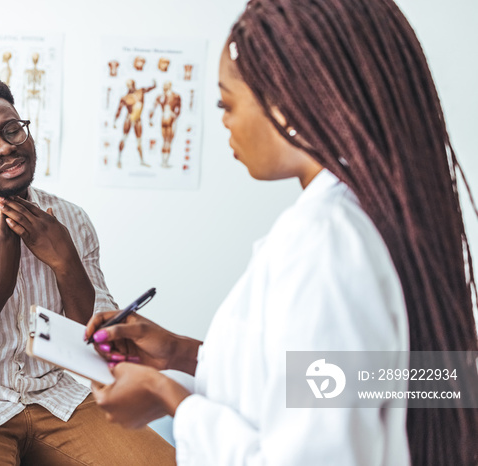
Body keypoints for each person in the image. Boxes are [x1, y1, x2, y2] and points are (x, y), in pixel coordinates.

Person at [86, 1, 478, 465]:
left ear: (287, 103)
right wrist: (183, 354)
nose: (225, 121)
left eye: (225, 102)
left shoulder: (324, 240)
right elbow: (379, 381)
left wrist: (171, 400)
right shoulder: (369, 215)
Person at [0, 78, 175, 466]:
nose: (6, 146)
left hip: (58, 398)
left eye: (12, 130)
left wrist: (67, 264)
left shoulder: (71, 219)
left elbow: (99, 349)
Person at [114, 79, 156, 168]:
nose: (130, 87)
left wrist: (154, 83)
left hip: (137, 119)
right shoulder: (125, 98)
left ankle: (142, 160)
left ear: (134, 84)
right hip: (129, 119)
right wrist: (115, 120)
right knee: (124, 137)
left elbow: (149, 89)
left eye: (131, 84)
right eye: (128, 85)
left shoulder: (140, 92)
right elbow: (119, 110)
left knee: (139, 140)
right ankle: (119, 159)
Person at [149, 81, 182, 168]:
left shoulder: (168, 96)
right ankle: (165, 161)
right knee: (168, 141)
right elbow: (178, 110)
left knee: (165, 141)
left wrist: (150, 119)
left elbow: (152, 109)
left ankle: (164, 161)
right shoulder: (172, 96)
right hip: (169, 119)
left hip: (165, 118)